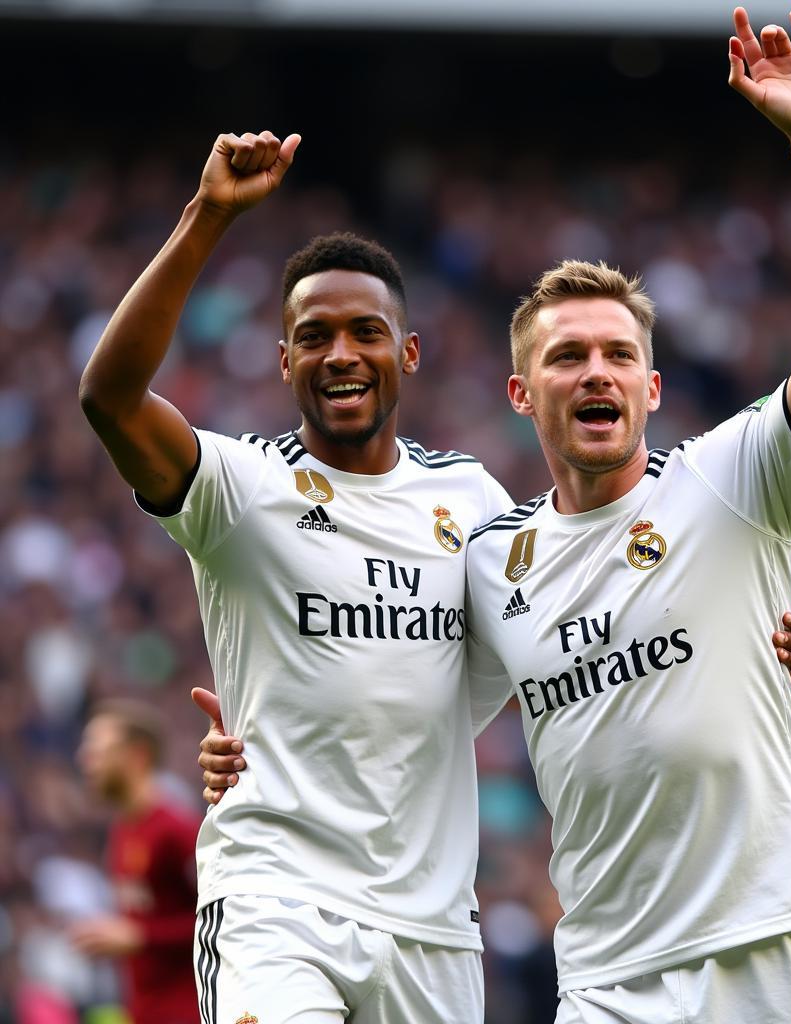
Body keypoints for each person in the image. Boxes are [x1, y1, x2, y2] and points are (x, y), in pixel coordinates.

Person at [202, 8, 791, 1020]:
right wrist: (255, 742)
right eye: (566, 357)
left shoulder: (733, 480)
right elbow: (393, 676)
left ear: (653, 388)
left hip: (771, 942)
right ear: (521, 394)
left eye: (618, 354)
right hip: (607, 981)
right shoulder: (492, 562)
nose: (596, 372)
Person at [79, 131, 513, 1022]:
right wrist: (209, 216)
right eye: (313, 337)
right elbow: (110, 398)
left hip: (432, 925)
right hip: (277, 900)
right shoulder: (242, 486)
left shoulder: (471, 498)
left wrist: (752, 639)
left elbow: (570, 627)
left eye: (367, 333)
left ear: (411, 352)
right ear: (285, 363)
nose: (341, 353)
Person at [72, 700, 202, 1024]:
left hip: (188, 1009)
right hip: (144, 1011)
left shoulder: (177, 830)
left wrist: (140, 936)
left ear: (137, 755)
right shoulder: (122, 829)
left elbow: (220, 919)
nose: (86, 761)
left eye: (98, 750)